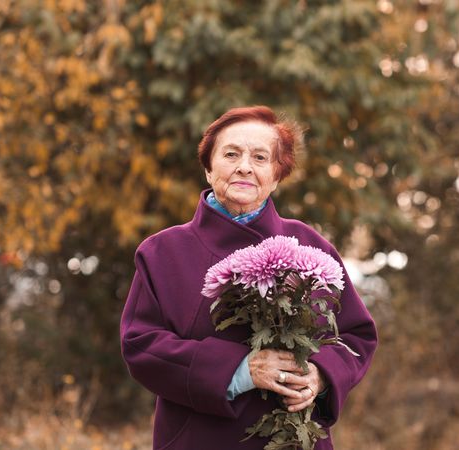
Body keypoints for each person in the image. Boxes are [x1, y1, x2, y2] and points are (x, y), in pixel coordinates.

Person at [120, 106, 377, 450]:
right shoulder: (162, 252)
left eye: (260, 157)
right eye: (230, 154)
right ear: (209, 169)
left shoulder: (310, 245)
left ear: (276, 175)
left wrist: (322, 376)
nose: (244, 166)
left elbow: (356, 336)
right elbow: (141, 344)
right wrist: (241, 370)